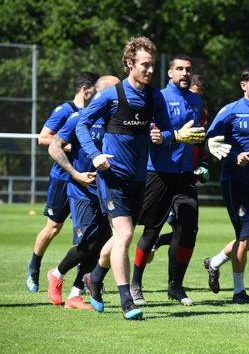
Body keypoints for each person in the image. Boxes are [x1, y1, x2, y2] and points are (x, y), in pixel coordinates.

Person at [76, 36, 180, 320]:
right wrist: (95, 155)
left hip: (138, 178)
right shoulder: (112, 95)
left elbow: (169, 132)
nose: (149, 70)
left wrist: (162, 136)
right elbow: (82, 125)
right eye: (144, 65)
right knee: (124, 234)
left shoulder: (155, 97)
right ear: (129, 64)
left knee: (121, 236)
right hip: (112, 177)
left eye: (152, 65)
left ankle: (94, 278)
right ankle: (126, 300)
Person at [129, 54, 206, 306]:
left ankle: (176, 286)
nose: (185, 73)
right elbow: (152, 134)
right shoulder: (157, 97)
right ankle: (135, 284)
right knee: (151, 230)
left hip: (185, 176)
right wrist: (173, 136)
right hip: (158, 172)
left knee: (188, 230)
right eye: (180, 69)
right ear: (170, 73)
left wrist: (204, 152)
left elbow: (197, 136)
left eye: (188, 69)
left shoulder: (196, 99)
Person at [202, 67, 249, 303]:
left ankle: (214, 262)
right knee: (244, 236)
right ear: (243, 85)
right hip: (234, 182)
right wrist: (233, 156)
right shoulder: (231, 111)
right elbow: (211, 141)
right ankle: (238, 292)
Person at [45, 75, 119, 310]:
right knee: (88, 244)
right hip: (81, 191)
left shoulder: (117, 121)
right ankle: (56, 273)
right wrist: (75, 173)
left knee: (104, 244)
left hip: (107, 191)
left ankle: (76, 294)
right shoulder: (78, 119)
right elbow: (54, 146)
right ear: (101, 94)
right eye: (116, 92)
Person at [26, 72, 99, 292]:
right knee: (54, 227)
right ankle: (34, 267)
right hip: (62, 178)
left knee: (86, 232)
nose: (99, 93)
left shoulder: (96, 114)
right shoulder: (66, 110)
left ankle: (82, 281)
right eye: (96, 89)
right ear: (85, 89)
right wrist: (72, 145)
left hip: (85, 181)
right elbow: (43, 138)